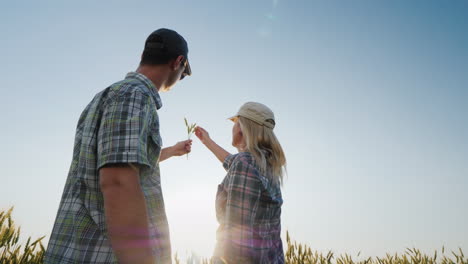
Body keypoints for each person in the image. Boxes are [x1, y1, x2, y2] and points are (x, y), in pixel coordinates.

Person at [44, 28, 192, 264]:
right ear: (178, 62)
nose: (180, 78)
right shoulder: (134, 96)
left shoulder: (108, 95)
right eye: (184, 73)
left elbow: (118, 163)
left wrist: (171, 151)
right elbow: (118, 182)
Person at [195, 102, 287, 264]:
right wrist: (207, 141)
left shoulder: (245, 163)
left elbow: (237, 241)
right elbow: (232, 162)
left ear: (242, 128)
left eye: (235, 123)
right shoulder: (267, 167)